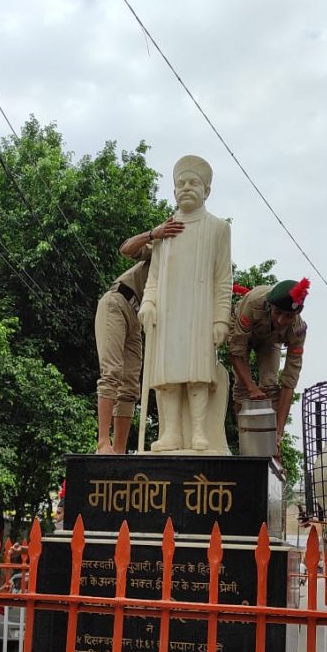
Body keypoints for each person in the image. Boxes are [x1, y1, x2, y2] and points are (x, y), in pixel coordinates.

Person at [138, 155, 232, 453]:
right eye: (181, 183)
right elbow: (153, 276)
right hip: (167, 313)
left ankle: (200, 432)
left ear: (207, 190)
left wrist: (220, 319)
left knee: (197, 374)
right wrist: (148, 302)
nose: (186, 188)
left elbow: (223, 278)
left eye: (194, 183)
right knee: (168, 378)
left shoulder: (218, 228)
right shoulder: (164, 231)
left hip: (200, 312)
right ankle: (172, 433)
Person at [95, 216, 185, 454]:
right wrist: (154, 233)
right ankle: (103, 442)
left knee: (131, 387)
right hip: (118, 302)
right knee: (112, 372)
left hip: (138, 320)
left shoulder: (186, 277)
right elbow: (126, 248)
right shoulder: (161, 250)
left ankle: (119, 450)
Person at [228, 278, 310, 450]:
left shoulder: (297, 330)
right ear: (270, 305)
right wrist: (251, 388)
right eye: (278, 312)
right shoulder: (253, 302)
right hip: (242, 332)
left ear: (296, 314)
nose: (281, 320)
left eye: (288, 316)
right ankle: (244, 441)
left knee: (270, 386)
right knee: (242, 388)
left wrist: (279, 432)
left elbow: (289, 382)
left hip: (270, 341)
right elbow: (236, 353)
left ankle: (272, 447)